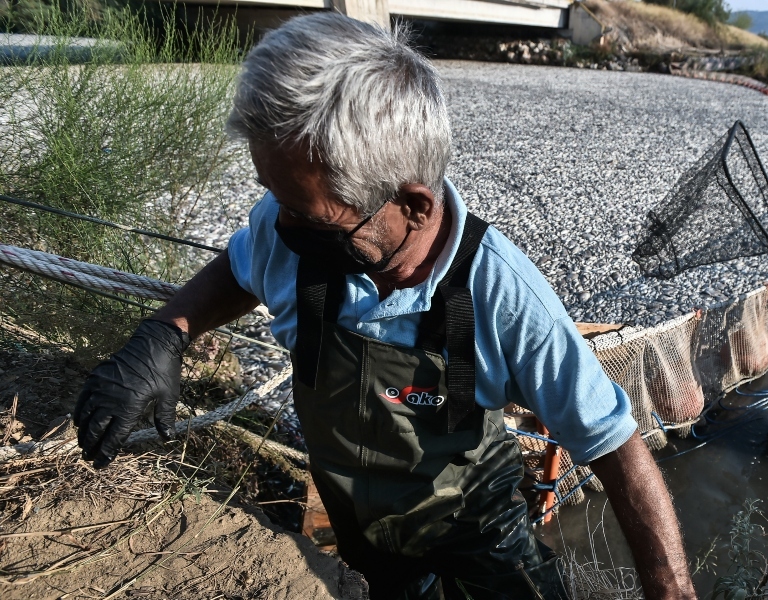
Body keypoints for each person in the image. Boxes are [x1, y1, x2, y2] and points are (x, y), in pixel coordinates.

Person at [72, 13, 697, 600]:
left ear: (415, 207)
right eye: (274, 197)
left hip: (475, 527)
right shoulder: (289, 221)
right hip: (356, 524)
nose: (279, 225)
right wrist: (165, 334)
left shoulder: (502, 294)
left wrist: (670, 590)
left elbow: (613, 442)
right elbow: (241, 266)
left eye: (309, 216)